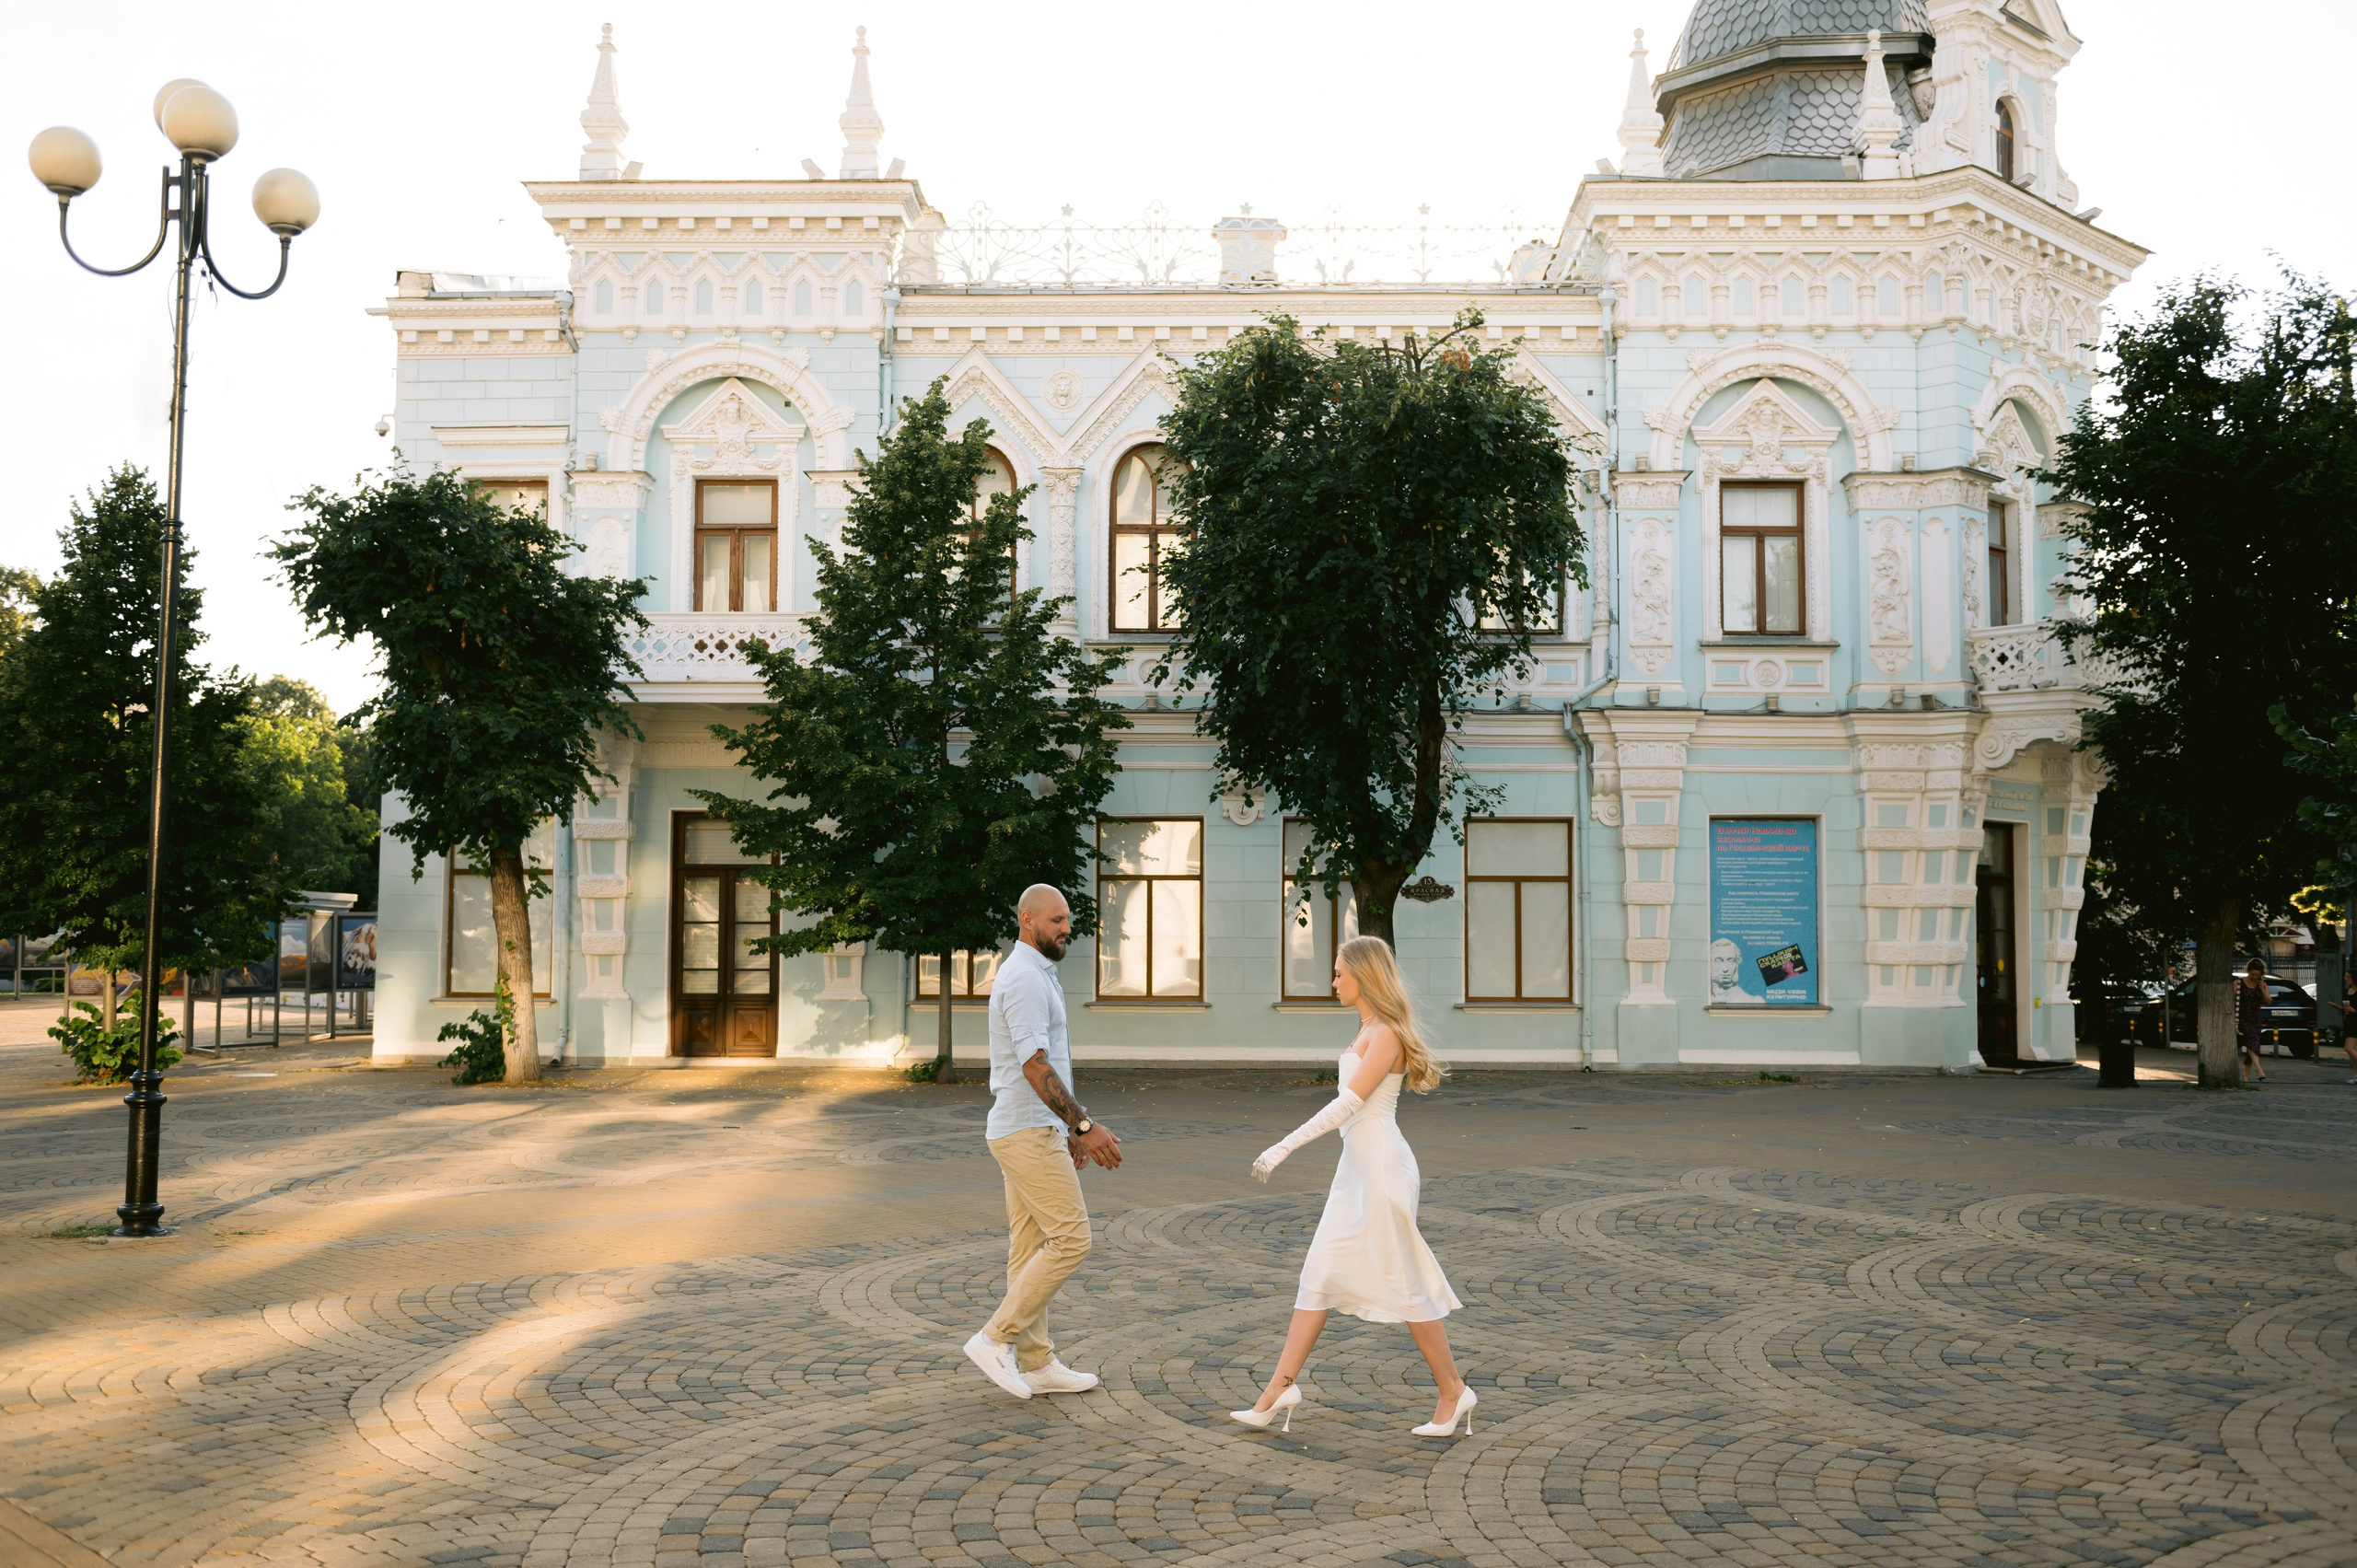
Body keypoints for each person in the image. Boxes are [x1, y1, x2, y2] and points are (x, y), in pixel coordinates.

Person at [1231, 935, 1473, 1437]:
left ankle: (1453, 1391)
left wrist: (1284, 1146)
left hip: (1381, 1169)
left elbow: (1348, 1106)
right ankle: (1278, 1389)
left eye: (1340, 973)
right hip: (1356, 1170)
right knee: (1318, 1276)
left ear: (1364, 975)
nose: (1333, 981)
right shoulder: (1367, 1027)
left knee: (1404, 1282)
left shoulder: (1385, 1033)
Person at [962, 884, 1122, 1400]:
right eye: (1057, 920)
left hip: (1032, 1127)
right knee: (1072, 1239)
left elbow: (1047, 1064)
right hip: (1026, 1132)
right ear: (1027, 920)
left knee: (1030, 1246)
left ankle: (1036, 1363)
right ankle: (994, 1339)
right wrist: (1084, 1127)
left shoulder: (1037, 974)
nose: (1067, 928)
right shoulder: (1025, 979)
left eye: (1068, 919)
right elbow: (1035, 1066)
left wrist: (1066, 1127)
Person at [2235, 958, 2270, 1083]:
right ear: (2248, 971)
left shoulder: (2262, 984)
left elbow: (2269, 1001)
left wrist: (2262, 989)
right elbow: (2231, 1000)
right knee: (2253, 1041)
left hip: (2255, 1018)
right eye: (2252, 974)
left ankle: (2245, 1076)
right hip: (2242, 1018)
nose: (2255, 977)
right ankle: (2259, 1069)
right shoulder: (2239, 983)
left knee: (2252, 1045)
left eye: (2257, 975)